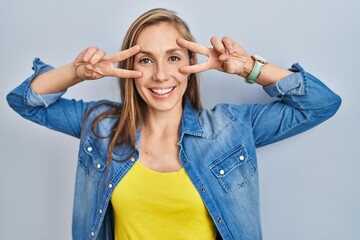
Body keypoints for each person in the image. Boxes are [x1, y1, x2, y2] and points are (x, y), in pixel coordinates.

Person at [7, 8, 341, 240]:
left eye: (174, 58)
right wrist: (77, 71)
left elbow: (320, 104)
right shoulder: (102, 126)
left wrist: (246, 67)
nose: (161, 75)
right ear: (128, 67)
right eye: (146, 60)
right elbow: (24, 100)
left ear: (192, 65)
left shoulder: (230, 128)